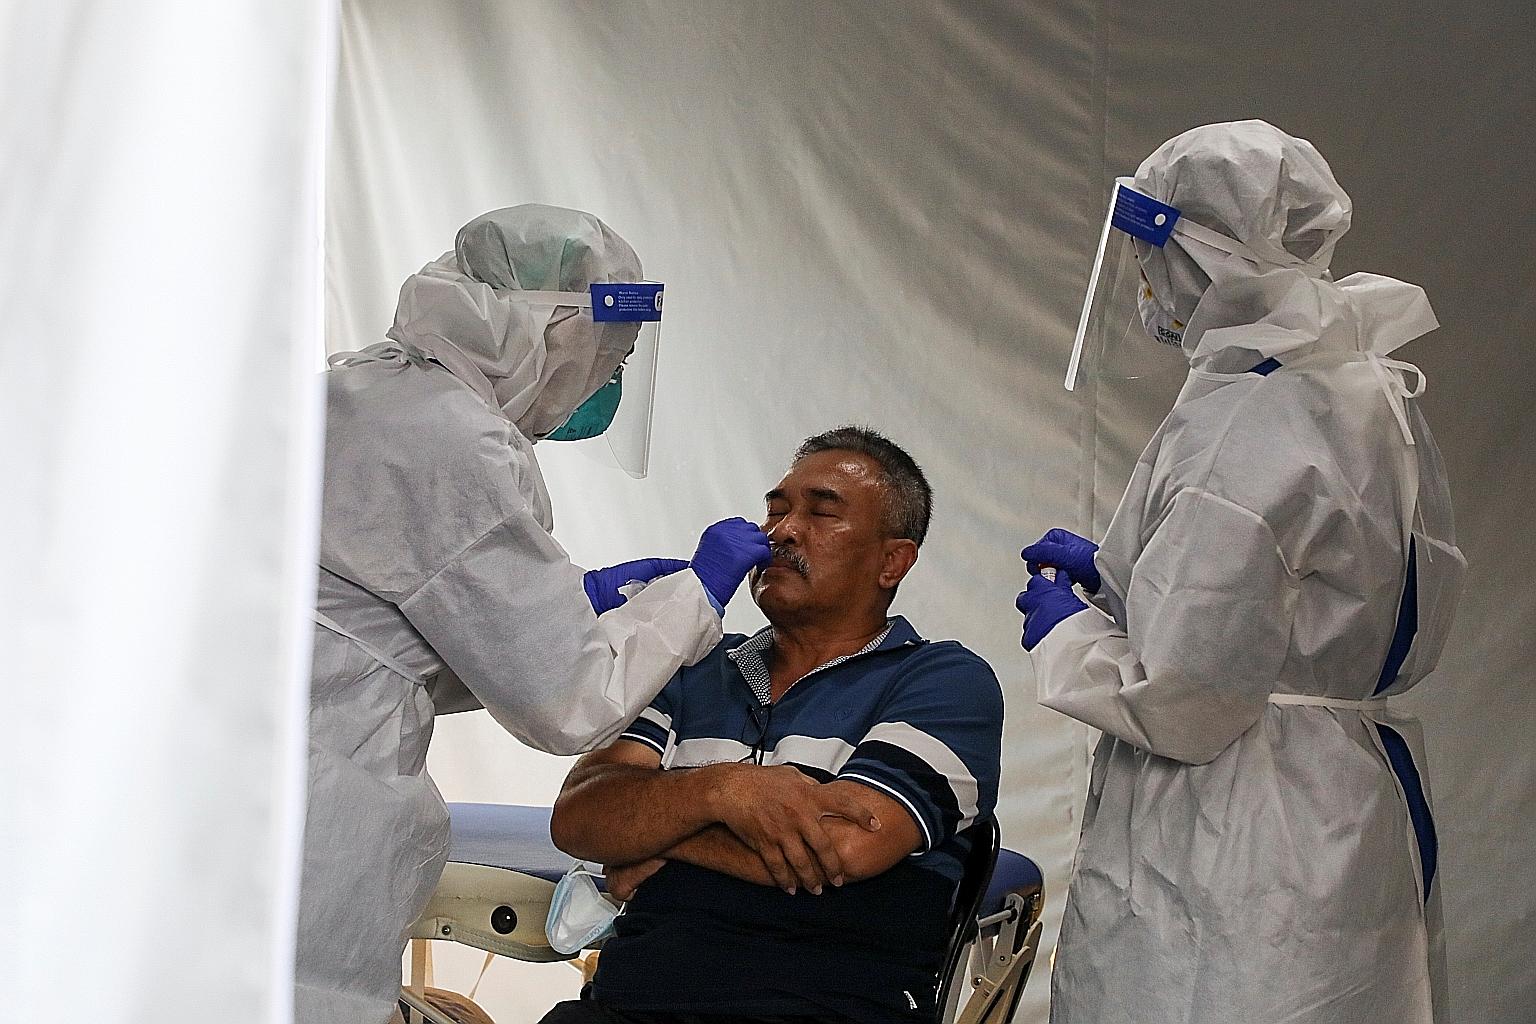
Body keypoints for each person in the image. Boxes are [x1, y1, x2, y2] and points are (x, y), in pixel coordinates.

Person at [1016, 121, 1466, 1024]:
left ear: (1196, 249)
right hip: (1338, 805)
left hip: (1240, 828)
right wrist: (1121, 577)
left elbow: (1185, 696)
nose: (1146, 284)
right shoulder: (1357, 386)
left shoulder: (1248, 415)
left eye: (1151, 254)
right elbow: (1312, 601)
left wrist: (1067, 628)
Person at [302, 204, 772, 1024]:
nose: (609, 385)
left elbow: (373, 633)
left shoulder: (354, 391)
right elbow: (567, 703)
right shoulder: (457, 442)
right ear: (552, 337)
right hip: (312, 813)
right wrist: (695, 594)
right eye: (609, 358)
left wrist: (576, 605)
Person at [541, 427, 1004, 1024]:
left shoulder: (944, 680)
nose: (781, 531)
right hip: (626, 1008)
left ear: (893, 561)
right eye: (777, 509)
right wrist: (724, 791)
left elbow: (839, 845)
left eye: (822, 513)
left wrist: (656, 834)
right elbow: (579, 817)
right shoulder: (692, 663)